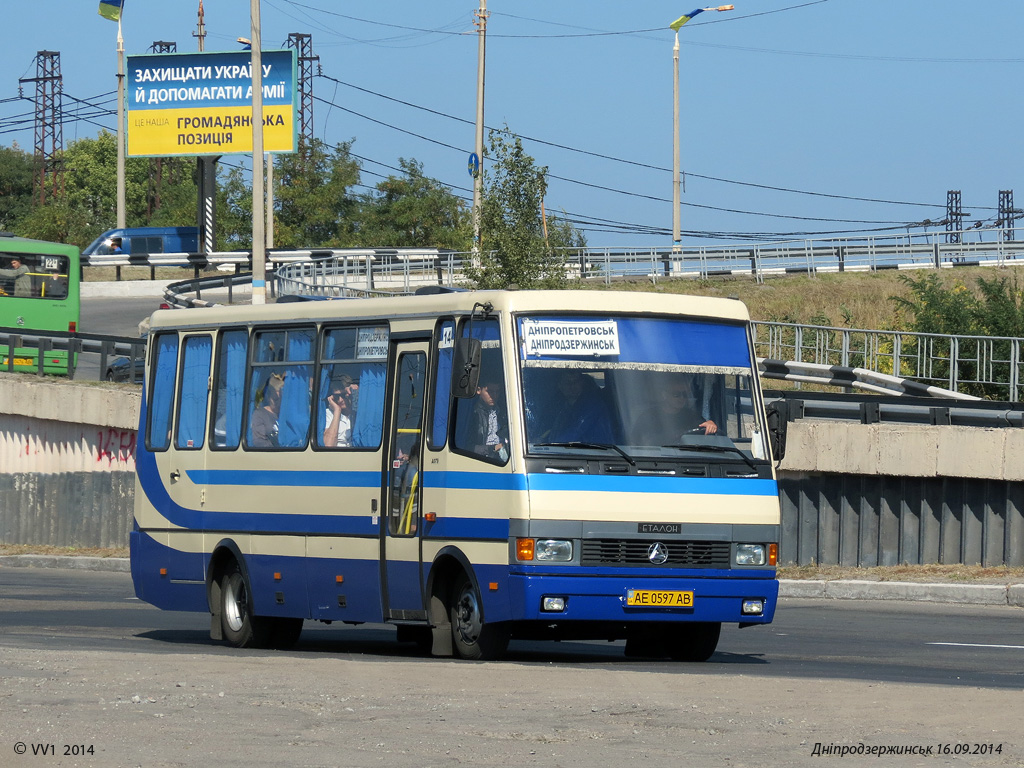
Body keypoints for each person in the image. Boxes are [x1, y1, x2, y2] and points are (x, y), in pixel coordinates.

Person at [631, 375, 717, 445]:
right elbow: (636, 444)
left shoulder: (691, 416)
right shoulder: (648, 417)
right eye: (676, 394)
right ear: (664, 395)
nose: (682, 398)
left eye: (685, 394)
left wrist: (710, 424)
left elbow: (704, 426)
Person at [543, 369, 615, 443]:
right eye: (567, 382)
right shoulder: (562, 408)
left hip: (600, 452)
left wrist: (551, 444)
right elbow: (555, 432)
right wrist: (542, 440)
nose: (572, 386)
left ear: (582, 383)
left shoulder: (592, 406)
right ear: (560, 386)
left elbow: (575, 431)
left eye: (576, 382)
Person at [472, 377, 509, 461]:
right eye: (490, 392)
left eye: (497, 392)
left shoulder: (504, 412)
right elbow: (467, 447)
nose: (494, 396)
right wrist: (492, 448)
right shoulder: (474, 414)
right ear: (479, 390)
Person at [322, 374, 358, 447]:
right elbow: (328, 445)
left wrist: (357, 393)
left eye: (344, 395)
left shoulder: (360, 412)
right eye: (337, 396)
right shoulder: (327, 414)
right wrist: (337, 411)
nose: (340, 400)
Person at [251, 373, 284, 448]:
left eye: (280, 398)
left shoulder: (286, 414)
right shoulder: (259, 414)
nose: (277, 402)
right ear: (268, 397)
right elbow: (259, 441)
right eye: (275, 399)